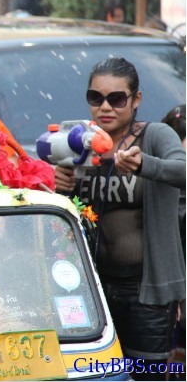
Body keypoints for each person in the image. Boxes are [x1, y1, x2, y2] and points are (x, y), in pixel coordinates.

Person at [53, 57, 185, 379]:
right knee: (95, 375)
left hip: (145, 293)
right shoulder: (77, 141)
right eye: (96, 98)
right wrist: (61, 187)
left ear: (136, 99)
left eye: (117, 98)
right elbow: (68, 219)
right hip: (91, 290)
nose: (105, 107)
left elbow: (183, 170)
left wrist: (144, 165)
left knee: (146, 374)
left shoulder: (155, 136)